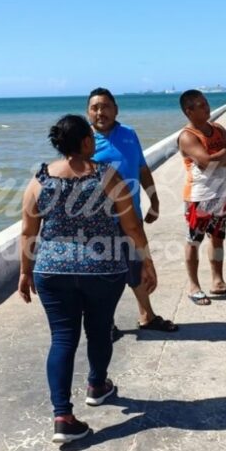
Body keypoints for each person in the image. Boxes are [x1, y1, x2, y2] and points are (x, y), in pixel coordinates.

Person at [18, 114, 158, 444]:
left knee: (63, 338)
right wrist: (147, 262)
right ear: (84, 142)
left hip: (52, 270)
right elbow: (132, 227)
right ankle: (97, 385)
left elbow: (28, 231)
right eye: (91, 139)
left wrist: (25, 271)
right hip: (102, 269)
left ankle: (62, 416)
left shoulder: (39, 180)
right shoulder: (107, 177)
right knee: (99, 329)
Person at [86, 87, 177, 333]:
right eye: (94, 108)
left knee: (136, 267)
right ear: (87, 112)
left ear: (116, 109)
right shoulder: (85, 141)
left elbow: (142, 169)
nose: (100, 112)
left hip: (131, 216)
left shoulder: (129, 134)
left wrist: (154, 201)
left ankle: (147, 315)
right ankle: (106, 323)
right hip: (99, 221)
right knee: (105, 276)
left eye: (105, 106)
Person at [177, 89, 226, 306]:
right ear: (189, 111)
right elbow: (208, 163)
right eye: (201, 105)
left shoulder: (217, 129)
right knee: (193, 241)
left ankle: (218, 282)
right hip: (199, 197)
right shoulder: (187, 136)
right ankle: (194, 286)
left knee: (217, 239)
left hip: (220, 195)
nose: (207, 107)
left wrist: (219, 156)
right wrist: (224, 151)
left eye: (206, 103)